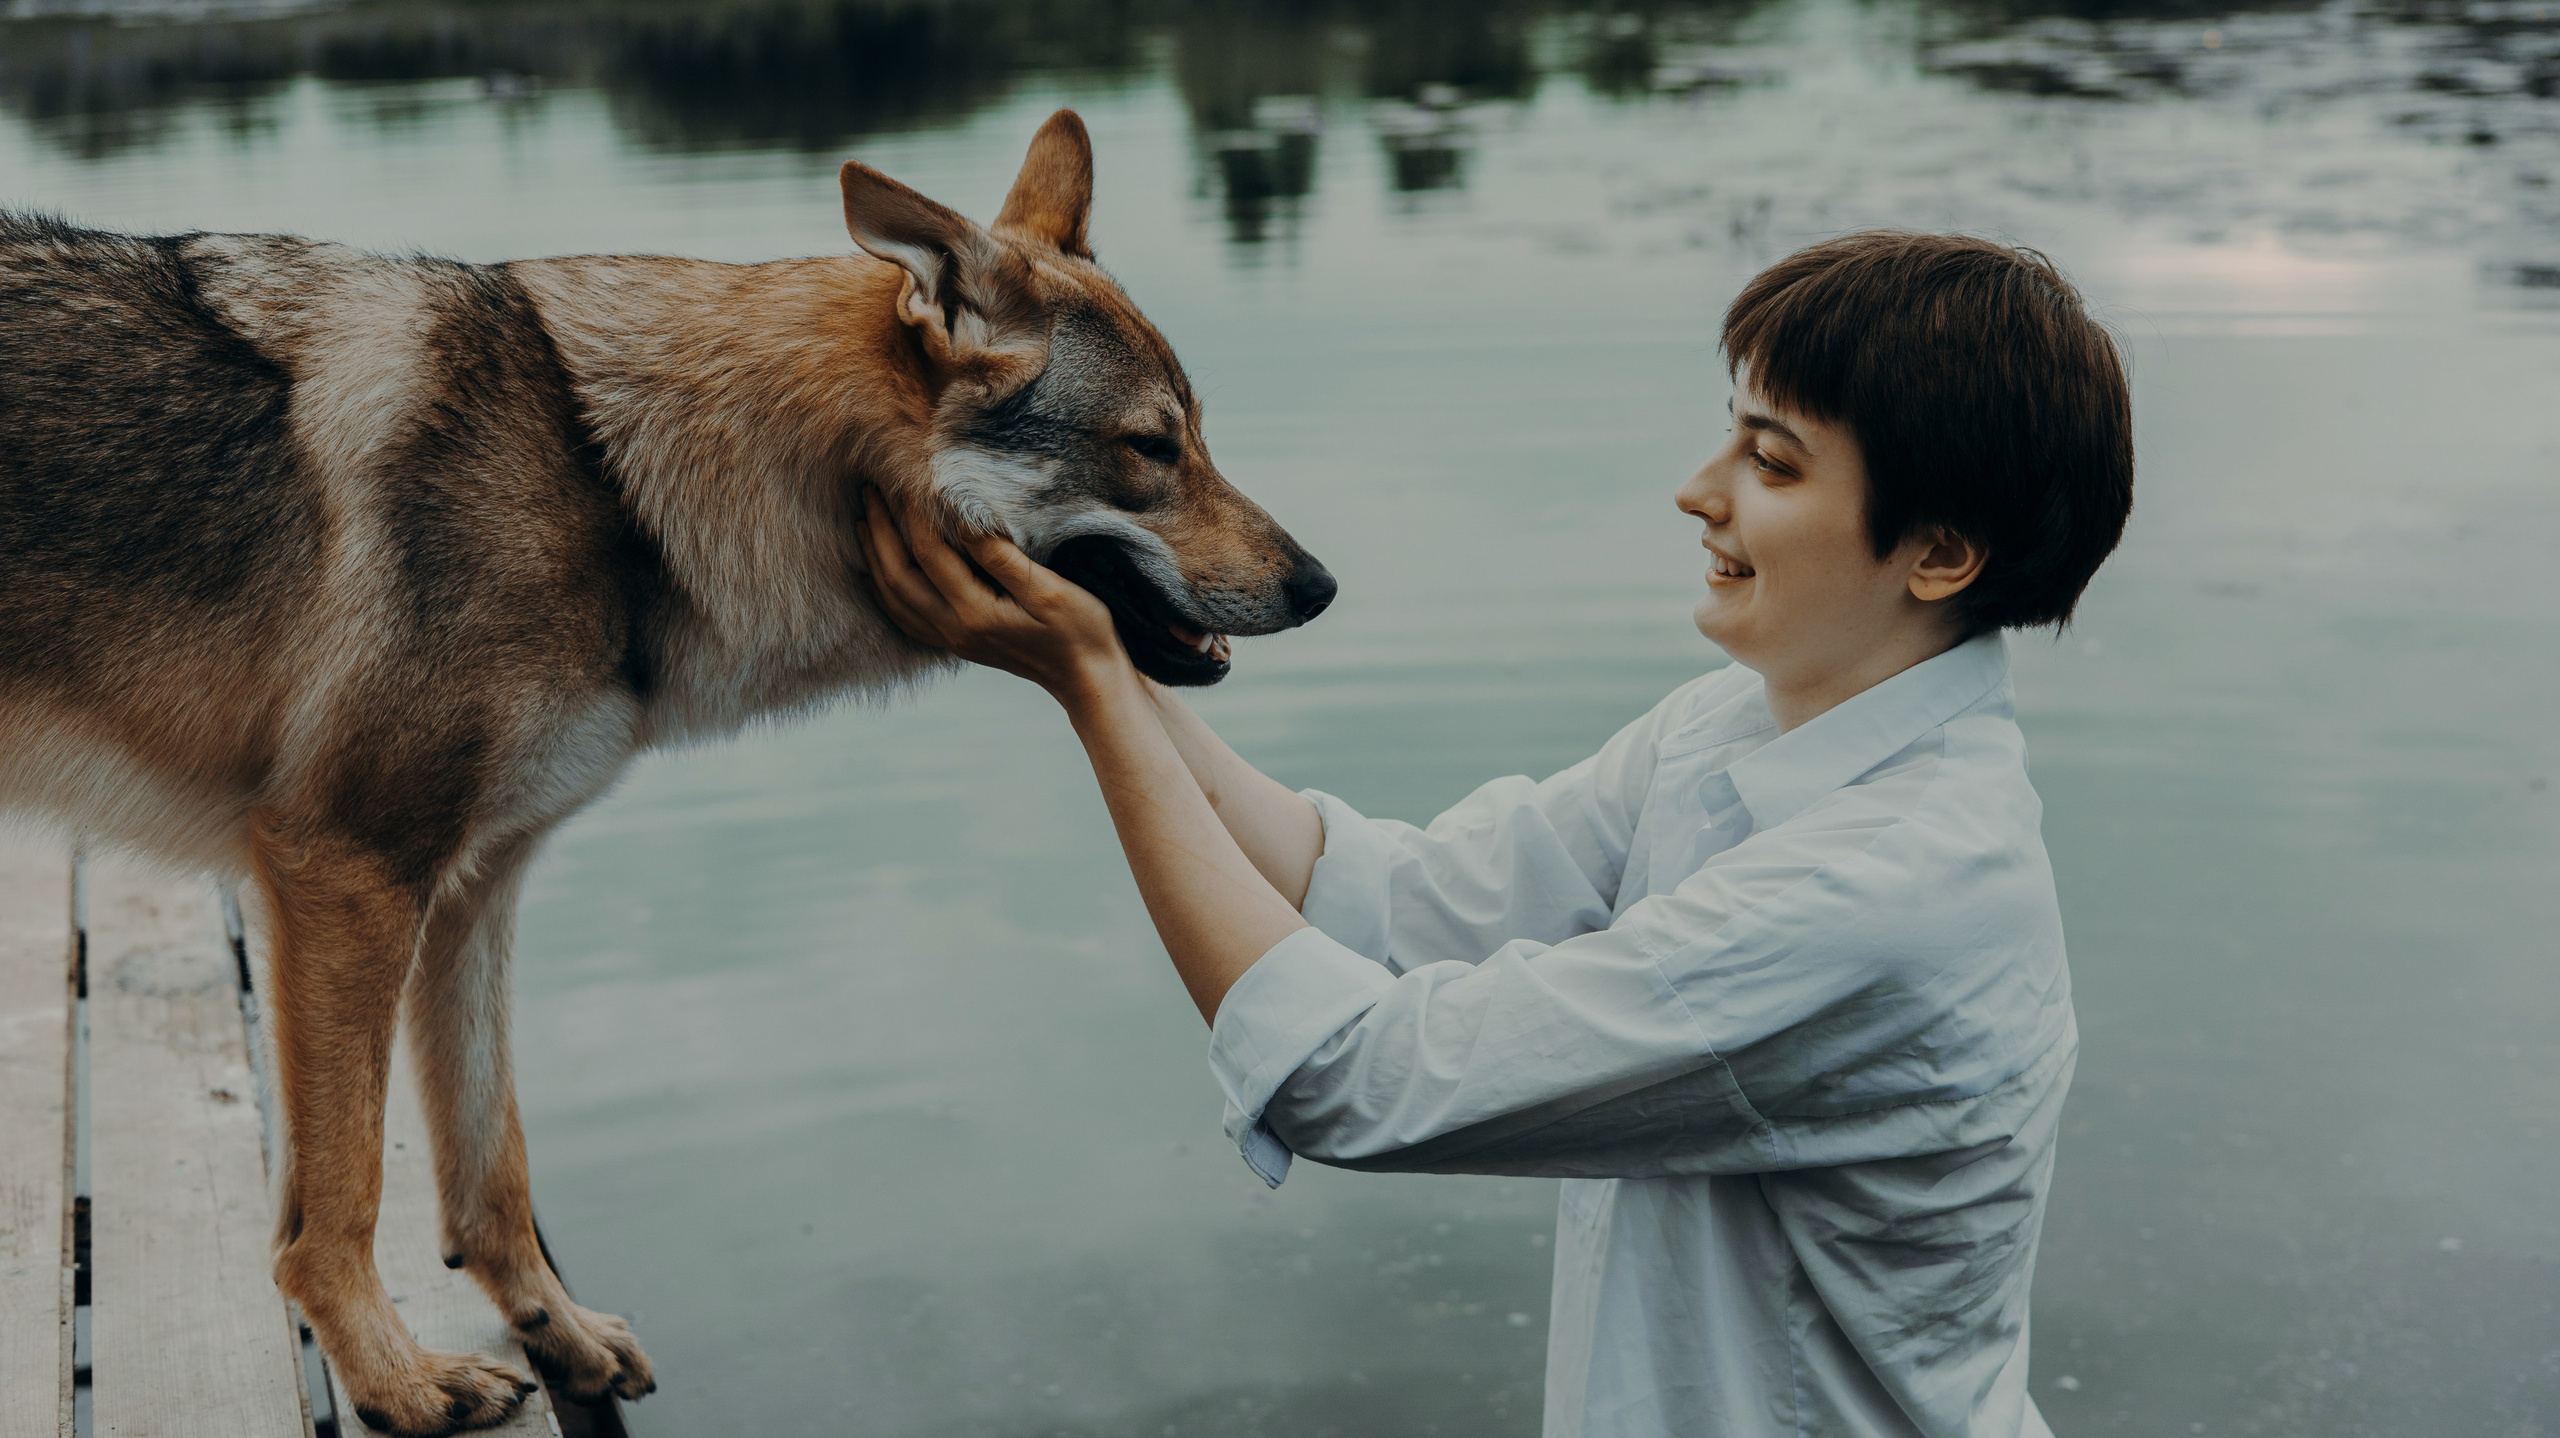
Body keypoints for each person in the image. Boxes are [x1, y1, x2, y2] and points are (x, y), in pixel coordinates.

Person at [856, 230, 2134, 1438]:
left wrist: (1092, 688)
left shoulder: (1889, 889)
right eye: (1729, 437)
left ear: (1939, 553)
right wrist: (1100, 653)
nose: (1697, 491)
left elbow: (1355, 1078)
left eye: (1774, 464)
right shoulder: (1733, 727)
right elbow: (1390, 901)